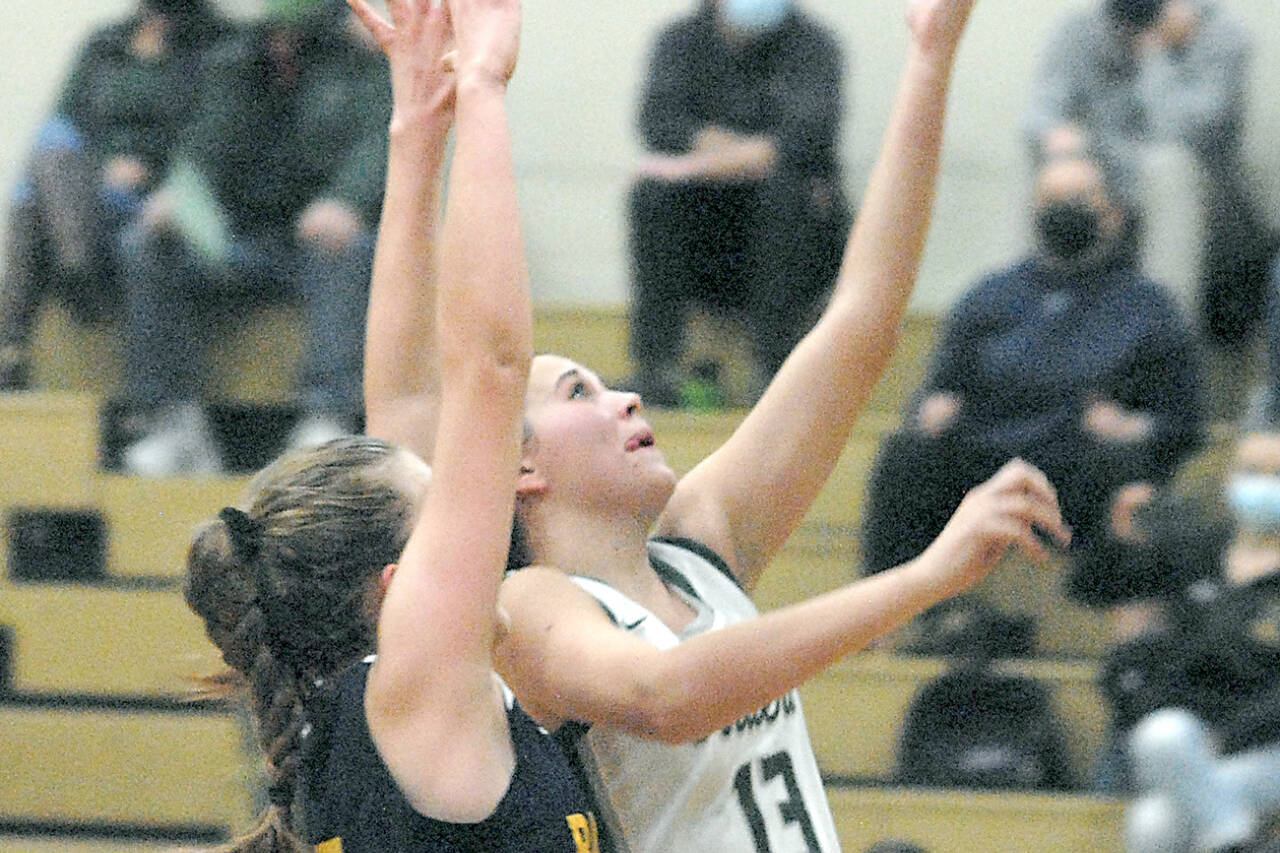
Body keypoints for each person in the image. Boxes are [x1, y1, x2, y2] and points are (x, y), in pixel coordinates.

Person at [366, 0, 1069, 850]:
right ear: (520, 470)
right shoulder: (527, 607)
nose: (626, 399)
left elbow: (863, 320)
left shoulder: (703, 543)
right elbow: (664, 697)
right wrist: (925, 576)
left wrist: (930, 58)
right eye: (580, 393)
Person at [182, 0, 608, 849]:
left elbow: (411, 394)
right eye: (445, 501)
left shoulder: (384, 708)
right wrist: (484, 90)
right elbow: (489, 374)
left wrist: (417, 130)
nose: (484, 506)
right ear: (394, 588)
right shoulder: (419, 693)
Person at [858, 150, 1205, 610]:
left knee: (1131, 474)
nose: (1064, 209)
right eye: (1052, 198)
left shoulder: (1150, 308)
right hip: (983, 467)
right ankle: (890, 617)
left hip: (1082, 475)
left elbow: (1185, 423)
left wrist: (1132, 427)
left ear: (1114, 213)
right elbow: (935, 394)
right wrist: (930, 411)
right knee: (907, 455)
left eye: (1079, 198)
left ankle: (1110, 617)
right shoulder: (990, 296)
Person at [116, 0, 392, 476]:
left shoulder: (358, 59)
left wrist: (347, 201)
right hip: (241, 240)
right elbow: (204, 144)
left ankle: (327, 416)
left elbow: (380, 143)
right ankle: (173, 423)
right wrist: (183, 197)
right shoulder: (235, 60)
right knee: (147, 245)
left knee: (354, 251)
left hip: (313, 242)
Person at [626, 0, 852, 405]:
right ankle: (657, 366)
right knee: (652, 195)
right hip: (702, 225)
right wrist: (730, 154)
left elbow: (810, 136)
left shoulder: (814, 45)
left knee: (788, 197)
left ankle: (775, 367)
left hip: (787, 226)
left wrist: (733, 156)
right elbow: (659, 120)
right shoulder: (680, 41)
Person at [1024, 0, 1275, 355]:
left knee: (1166, 166)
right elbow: (1039, 113)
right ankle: (1031, 327)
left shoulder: (1221, 39)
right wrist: (1061, 144)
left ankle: (1162, 342)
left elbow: (1178, 130)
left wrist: (1156, 53)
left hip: (1209, 211)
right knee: (1053, 170)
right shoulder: (1082, 30)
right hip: (1109, 184)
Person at [0, 0, 227, 391]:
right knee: (46, 163)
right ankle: (74, 270)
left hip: (160, 195)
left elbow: (213, 133)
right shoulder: (105, 43)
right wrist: (106, 164)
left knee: (32, 208)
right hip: (94, 190)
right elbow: (65, 120)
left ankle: (16, 345)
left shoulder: (215, 46)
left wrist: (149, 169)